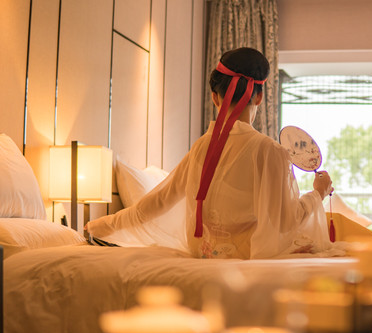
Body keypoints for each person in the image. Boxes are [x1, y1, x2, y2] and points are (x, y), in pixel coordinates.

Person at [86, 47, 337, 259]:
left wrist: (100, 226)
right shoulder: (270, 151)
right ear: (259, 97)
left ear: (215, 98)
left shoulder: (200, 148)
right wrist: (318, 193)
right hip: (247, 261)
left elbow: (155, 203)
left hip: (203, 255)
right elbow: (286, 221)